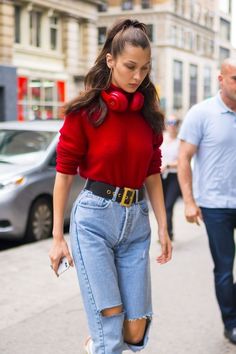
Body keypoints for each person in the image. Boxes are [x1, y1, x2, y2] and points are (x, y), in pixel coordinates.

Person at [49, 18, 172, 354]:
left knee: (136, 330)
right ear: (110, 60)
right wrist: (58, 238)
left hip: (136, 222)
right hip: (94, 222)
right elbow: (64, 173)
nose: (138, 76)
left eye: (145, 69)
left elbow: (152, 173)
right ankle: (101, 343)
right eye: (131, 66)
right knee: (110, 332)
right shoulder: (85, 112)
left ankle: (97, 344)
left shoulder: (148, 116)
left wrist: (163, 226)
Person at [178, 58, 236, 345]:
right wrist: (189, 201)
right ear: (221, 79)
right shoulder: (201, 113)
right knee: (225, 268)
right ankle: (231, 323)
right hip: (216, 206)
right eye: (235, 78)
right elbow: (184, 159)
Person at [161, 115, 181, 241]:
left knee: (168, 205)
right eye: (169, 122)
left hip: (174, 175)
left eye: (174, 122)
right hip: (159, 175)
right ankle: (166, 231)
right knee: (161, 206)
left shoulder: (180, 140)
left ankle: (167, 233)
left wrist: (168, 165)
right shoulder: (161, 137)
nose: (171, 125)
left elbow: (182, 161)